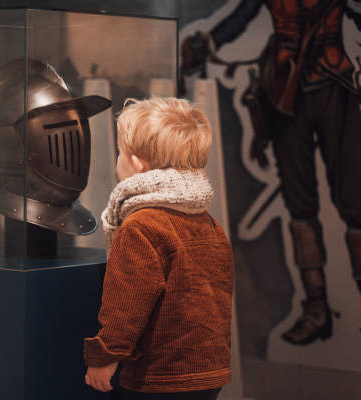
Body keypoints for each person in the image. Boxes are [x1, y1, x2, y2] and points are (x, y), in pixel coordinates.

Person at [182, 0, 361, 345]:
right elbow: (243, 16)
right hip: (284, 93)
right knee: (299, 203)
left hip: (333, 85)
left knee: (354, 202)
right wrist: (204, 46)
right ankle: (316, 308)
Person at [83, 97, 234, 400]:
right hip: (208, 370)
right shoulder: (208, 223)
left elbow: (125, 304)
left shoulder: (141, 227)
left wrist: (105, 356)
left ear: (136, 162)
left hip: (161, 376)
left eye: (120, 153)